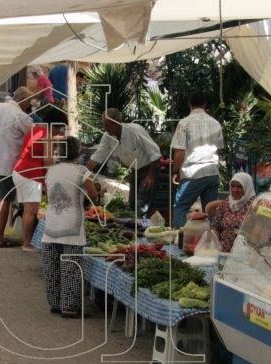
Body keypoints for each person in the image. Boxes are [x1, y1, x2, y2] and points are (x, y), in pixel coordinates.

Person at [42, 136, 99, 317]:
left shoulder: (51, 170)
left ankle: (55, 304)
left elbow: (46, 191)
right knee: (71, 268)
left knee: (52, 267)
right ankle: (70, 307)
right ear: (79, 152)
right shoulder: (82, 171)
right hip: (72, 225)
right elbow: (93, 194)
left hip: (51, 224)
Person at [0, 88, 33, 248]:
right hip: (7, 165)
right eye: (28, 102)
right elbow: (33, 136)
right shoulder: (21, 116)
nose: (28, 105)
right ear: (23, 100)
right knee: (5, 200)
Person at [12, 106, 67, 252]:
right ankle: (27, 244)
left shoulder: (34, 129)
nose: (58, 133)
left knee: (26, 210)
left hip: (19, 171)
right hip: (30, 174)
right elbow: (48, 161)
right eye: (59, 129)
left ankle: (26, 241)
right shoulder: (47, 134)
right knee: (32, 211)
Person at [86, 109, 161, 215]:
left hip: (149, 168)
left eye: (107, 125)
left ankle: (142, 227)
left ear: (116, 123)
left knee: (141, 204)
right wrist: (84, 172)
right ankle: (136, 226)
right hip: (135, 169)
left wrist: (151, 175)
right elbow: (98, 156)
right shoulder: (107, 136)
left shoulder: (135, 131)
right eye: (104, 125)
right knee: (132, 203)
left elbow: (155, 153)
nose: (105, 128)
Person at [171, 91, 223, 229]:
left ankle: (178, 241)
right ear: (205, 104)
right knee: (210, 210)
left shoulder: (184, 123)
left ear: (190, 104)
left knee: (181, 207)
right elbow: (218, 149)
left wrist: (175, 171)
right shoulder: (215, 123)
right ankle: (210, 241)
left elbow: (180, 152)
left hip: (192, 173)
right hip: (212, 172)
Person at [204, 172, 256, 252]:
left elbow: (258, 234)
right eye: (233, 186)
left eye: (239, 187)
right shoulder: (226, 203)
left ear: (247, 187)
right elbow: (215, 226)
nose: (235, 190)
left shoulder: (255, 206)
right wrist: (214, 244)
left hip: (244, 252)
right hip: (222, 250)